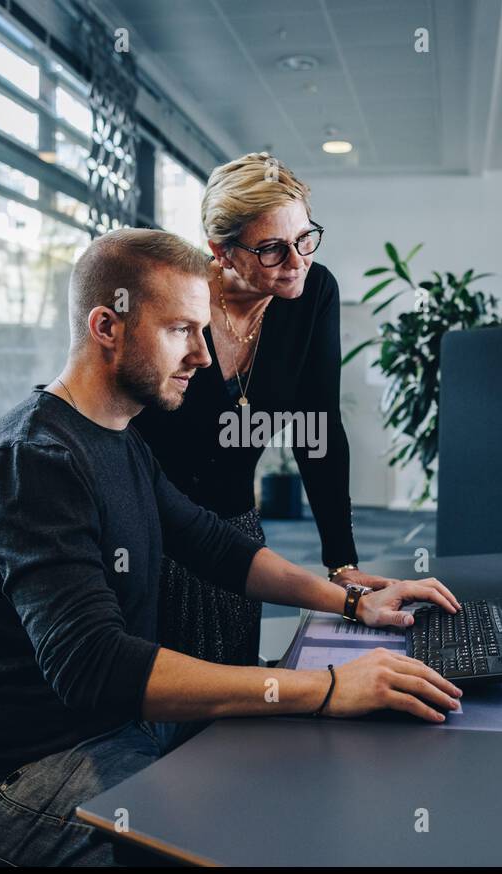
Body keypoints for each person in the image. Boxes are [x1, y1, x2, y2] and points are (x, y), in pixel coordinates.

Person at [0, 228, 463, 866]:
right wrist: (325, 686)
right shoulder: (35, 460)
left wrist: (355, 601)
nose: (204, 356)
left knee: (304, 766)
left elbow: (217, 548)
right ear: (108, 326)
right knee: (261, 834)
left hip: (121, 730)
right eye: (181, 331)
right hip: (32, 773)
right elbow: (94, 665)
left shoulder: (120, 436)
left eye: (202, 330)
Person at [135, 152, 393, 668]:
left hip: (236, 534)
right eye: (273, 249)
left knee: (236, 691)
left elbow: (316, 427)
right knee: (159, 704)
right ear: (222, 252)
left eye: (304, 239)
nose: (297, 261)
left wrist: (341, 562)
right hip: (151, 534)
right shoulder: (174, 300)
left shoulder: (313, 292)